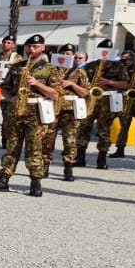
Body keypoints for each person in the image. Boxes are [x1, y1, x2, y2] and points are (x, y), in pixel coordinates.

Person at [0, 35, 64, 198]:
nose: (31, 50)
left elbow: (56, 94)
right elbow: (4, 87)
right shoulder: (17, 67)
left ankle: (35, 181)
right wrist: (10, 97)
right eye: (29, 47)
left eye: (35, 46)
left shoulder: (51, 69)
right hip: (16, 112)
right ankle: (3, 179)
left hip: (35, 113)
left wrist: (37, 84)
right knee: (11, 147)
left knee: (34, 149)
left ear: (43, 48)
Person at [72, 39, 128, 171]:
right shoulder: (90, 65)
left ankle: (102, 157)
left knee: (104, 129)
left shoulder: (118, 66)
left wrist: (109, 82)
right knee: (84, 127)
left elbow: (125, 84)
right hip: (91, 98)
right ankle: (80, 156)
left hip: (107, 100)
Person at [50, 44, 89, 182]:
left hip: (70, 109)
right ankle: (45, 165)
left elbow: (85, 92)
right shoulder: (51, 70)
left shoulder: (79, 72)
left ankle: (68, 166)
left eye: (69, 53)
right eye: (63, 53)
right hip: (52, 108)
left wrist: (72, 84)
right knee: (48, 138)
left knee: (70, 139)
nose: (66, 56)